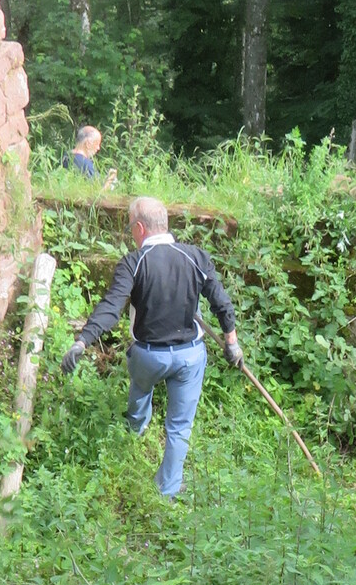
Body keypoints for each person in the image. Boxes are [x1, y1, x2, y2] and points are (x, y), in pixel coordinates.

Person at [60, 195, 243, 498]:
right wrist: (231, 343)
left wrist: (83, 341)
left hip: (148, 357)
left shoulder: (133, 263)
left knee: (141, 390)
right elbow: (222, 303)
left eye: (131, 227)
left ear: (140, 228)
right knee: (180, 427)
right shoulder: (195, 257)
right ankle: (167, 491)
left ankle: (135, 430)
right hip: (189, 356)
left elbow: (111, 307)